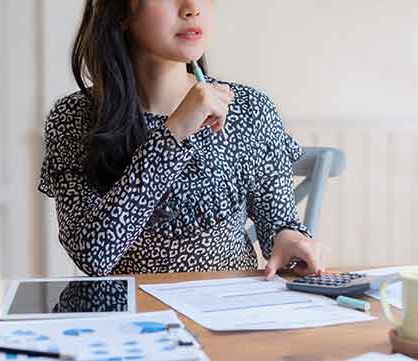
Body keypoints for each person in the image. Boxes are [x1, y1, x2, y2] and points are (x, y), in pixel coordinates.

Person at [37, 0, 322, 280]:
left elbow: (280, 224)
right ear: (121, 10)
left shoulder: (249, 108)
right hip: (132, 321)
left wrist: (290, 240)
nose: (192, 7)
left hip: (228, 313)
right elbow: (93, 255)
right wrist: (174, 133)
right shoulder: (73, 116)